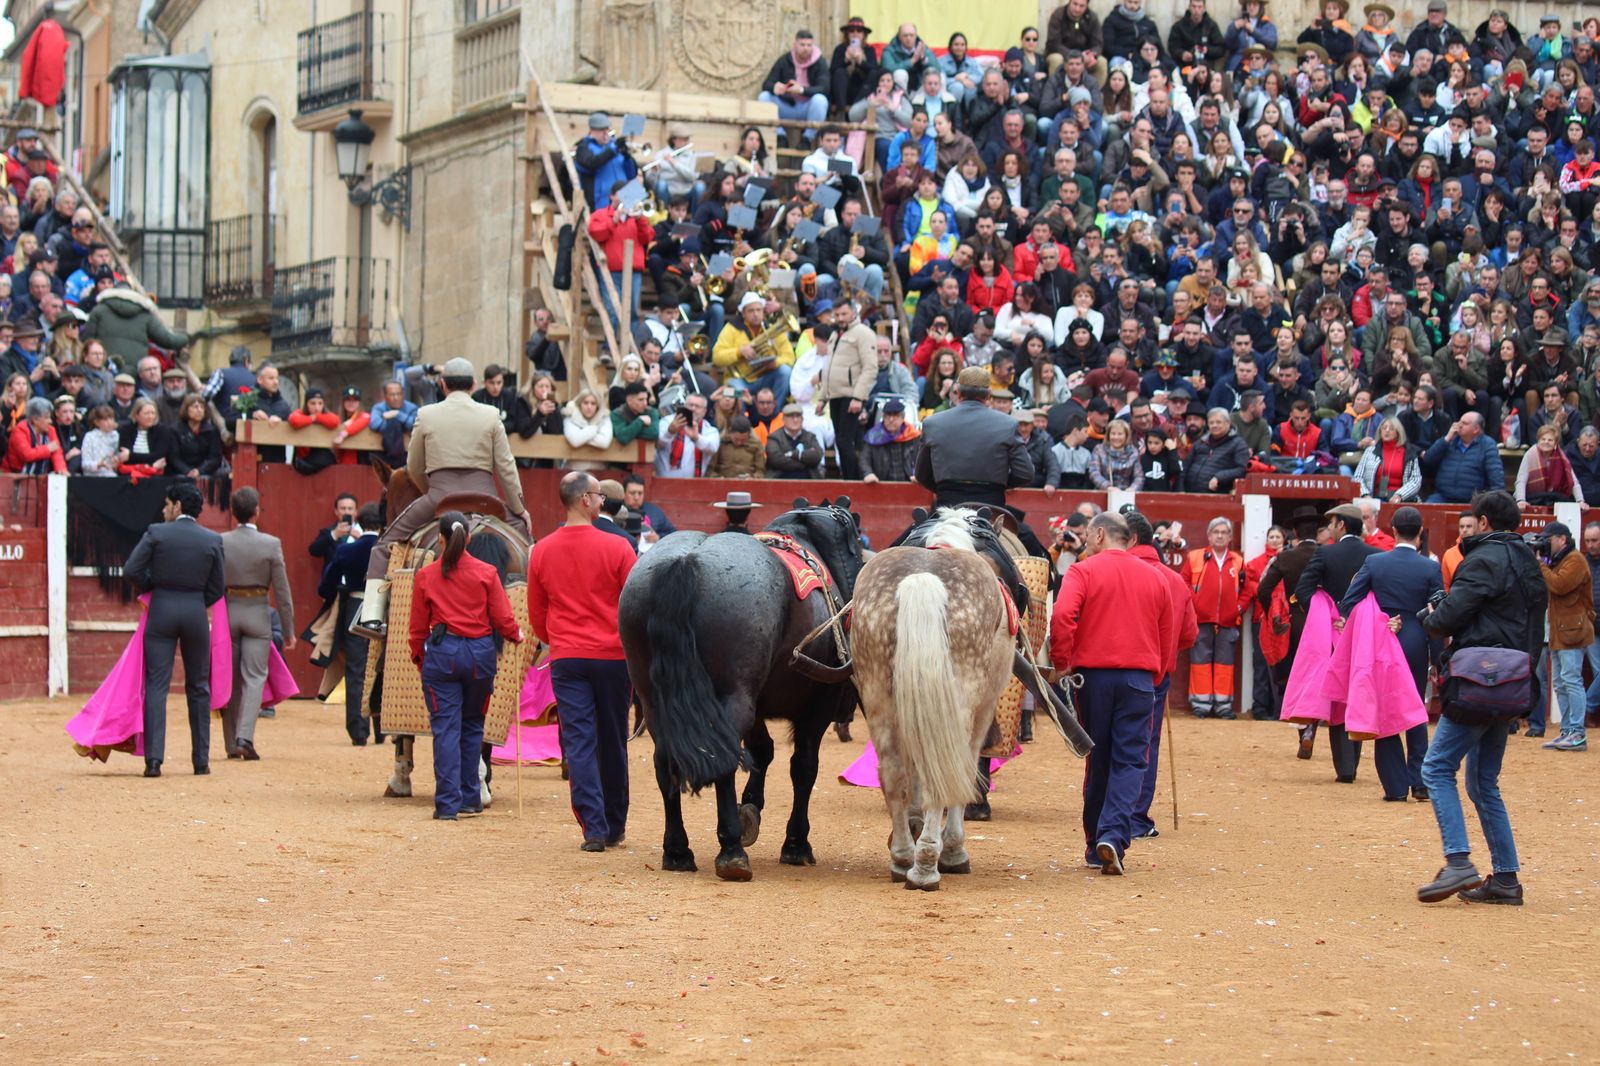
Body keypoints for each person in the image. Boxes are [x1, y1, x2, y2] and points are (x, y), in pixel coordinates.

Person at [1416, 490, 1544, 905]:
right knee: (1483, 781)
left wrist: (1432, 617)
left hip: (1480, 680)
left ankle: (1458, 861)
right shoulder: (1529, 561)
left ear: (1484, 523)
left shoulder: (1483, 559)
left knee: (1436, 769)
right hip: (1515, 680)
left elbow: (1450, 619)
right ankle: (1506, 879)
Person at [357, 358, 529, 636]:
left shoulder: (426, 414)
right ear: (474, 385)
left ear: (442, 384)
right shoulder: (490, 414)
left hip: (439, 495)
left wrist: (430, 493)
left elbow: (413, 465)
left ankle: (372, 618)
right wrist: (520, 510)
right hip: (486, 497)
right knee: (527, 543)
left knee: (382, 545)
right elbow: (506, 468)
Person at [1050, 512, 1178, 875]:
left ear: (1101, 534)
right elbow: (1166, 635)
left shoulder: (1083, 570)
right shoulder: (1156, 578)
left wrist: (1062, 663)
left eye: (1090, 535)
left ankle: (1095, 845)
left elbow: (1062, 616)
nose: (1087, 540)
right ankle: (1113, 834)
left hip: (1092, 678)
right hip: (1138, 678)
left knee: (1099, 758)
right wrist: (1156, 677)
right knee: (1131, 760)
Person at [528, 473, 637, 850]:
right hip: (612, 655)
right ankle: (615, 822)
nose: (602, 501)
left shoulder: (541, 549)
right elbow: (632, 605)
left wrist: (558, 640)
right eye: (598, 495)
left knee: (579, 741)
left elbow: (537, 615)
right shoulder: (620, 548)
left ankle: (593, 826)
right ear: (586, 500)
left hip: (568, 656)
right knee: (613, 737)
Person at [408, 511, 523, 821]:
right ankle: (470, 797)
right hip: (479, 656)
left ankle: (447, 803)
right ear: (469, 538)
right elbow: (502, 618)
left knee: (445, 728)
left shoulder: (426, 575)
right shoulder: (486, 572)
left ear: (440, 539)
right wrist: (516, 635)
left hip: (443, 655)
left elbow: (417, 628)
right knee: (473, 725)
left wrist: (420, 657)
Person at [121, 481, 225, 778]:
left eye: (168, 504)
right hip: (194, 612)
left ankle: (154, 761)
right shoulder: (211, 540)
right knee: (199, 686)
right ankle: (201, 761)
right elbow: (217, 588)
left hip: (162, 610)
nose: (165, 509)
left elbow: (131, 570)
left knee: (156, 685)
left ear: (178, 506)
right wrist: (195, 600)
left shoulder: (157, 533)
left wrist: (154, 586)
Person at [1340, 506, 1440, 801]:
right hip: (1416, 642)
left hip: (1383, 642)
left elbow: (1349, 602)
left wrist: (1380, 619)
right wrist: (1437, 657)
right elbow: (1438, 615)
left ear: (1393, 530)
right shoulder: (1430, 568)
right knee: (1414, 710)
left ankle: (1396, 787)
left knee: (1386, 710)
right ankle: (1420, 782)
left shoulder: (1375, 562)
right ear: (1420, 532)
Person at [1294, 503, 1382, 782]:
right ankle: (1351, 762)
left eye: (1332, 523)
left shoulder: (1326, 553)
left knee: (1339, 697)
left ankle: (1345, 768)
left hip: (1334, 635)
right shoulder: (1377, 555)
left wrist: (1327, 615)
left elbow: (1303, 589)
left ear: (1342, 526)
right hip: (1365, 635)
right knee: (1359, 690)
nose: (1329, 528)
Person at [1125, 510, 1199, 840]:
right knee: (1145, 744)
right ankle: (1136, 816)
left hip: (1108, 669)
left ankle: (1109, 815)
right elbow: (1189, 635)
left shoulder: (1115, 571)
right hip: (1155, 674)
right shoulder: (1173, 579)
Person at [219, 488, 296, 762]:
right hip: (257, 613)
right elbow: (283, 593)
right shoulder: (270, 544)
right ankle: (245, 737)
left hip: (228, 611)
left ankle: (230, 744)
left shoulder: (221, 541)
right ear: (256, 511)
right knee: (254, 677)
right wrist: (288, 631)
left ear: (233, 512)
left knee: (231, 678)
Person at [914, 367, 1034, 510]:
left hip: (947, 506)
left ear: (958, 393)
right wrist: (998, 484)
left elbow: (921, 474)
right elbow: (1025, 473)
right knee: (1026, 533)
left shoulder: (932, 423)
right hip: (991, 507)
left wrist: (944, 488)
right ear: (989, 395)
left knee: (910, 533)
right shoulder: (1008, 424)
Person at [316, 503, 380, 747]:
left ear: (360, 523)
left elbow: (325, 586)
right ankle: (383, 728)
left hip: (356, 608)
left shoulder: (348, 551)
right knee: (381, 667)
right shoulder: (390, 549)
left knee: (356, 670)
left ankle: (359, 731)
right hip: (385, 610)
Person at [1538, 521, 1594, 752]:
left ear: (1562, 538)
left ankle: (1578, 733)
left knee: (1571, 680)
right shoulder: (1562, 559)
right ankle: (1568, 731)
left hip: (1573, 630)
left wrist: (1540, 564)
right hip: (1560, 629)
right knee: (1561, 682)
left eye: (1549, 540)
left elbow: (1559, 585)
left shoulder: (1575, 560)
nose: (1546, 544)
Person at [1186, 517, 1247, 719]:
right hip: (1200, 620)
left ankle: (1223, 705)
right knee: (1199, 662)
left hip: (1228, 622)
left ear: (1230, 537)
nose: (1220, 535)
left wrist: (1238, 608)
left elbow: (1247, 590)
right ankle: (1200, 705)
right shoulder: (1195, 557)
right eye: (1216, 532)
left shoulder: (1237, 561)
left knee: (1225, 663)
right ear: (1209, 535)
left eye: (1224, 532)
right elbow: (1183, 583)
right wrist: (1195, 605)